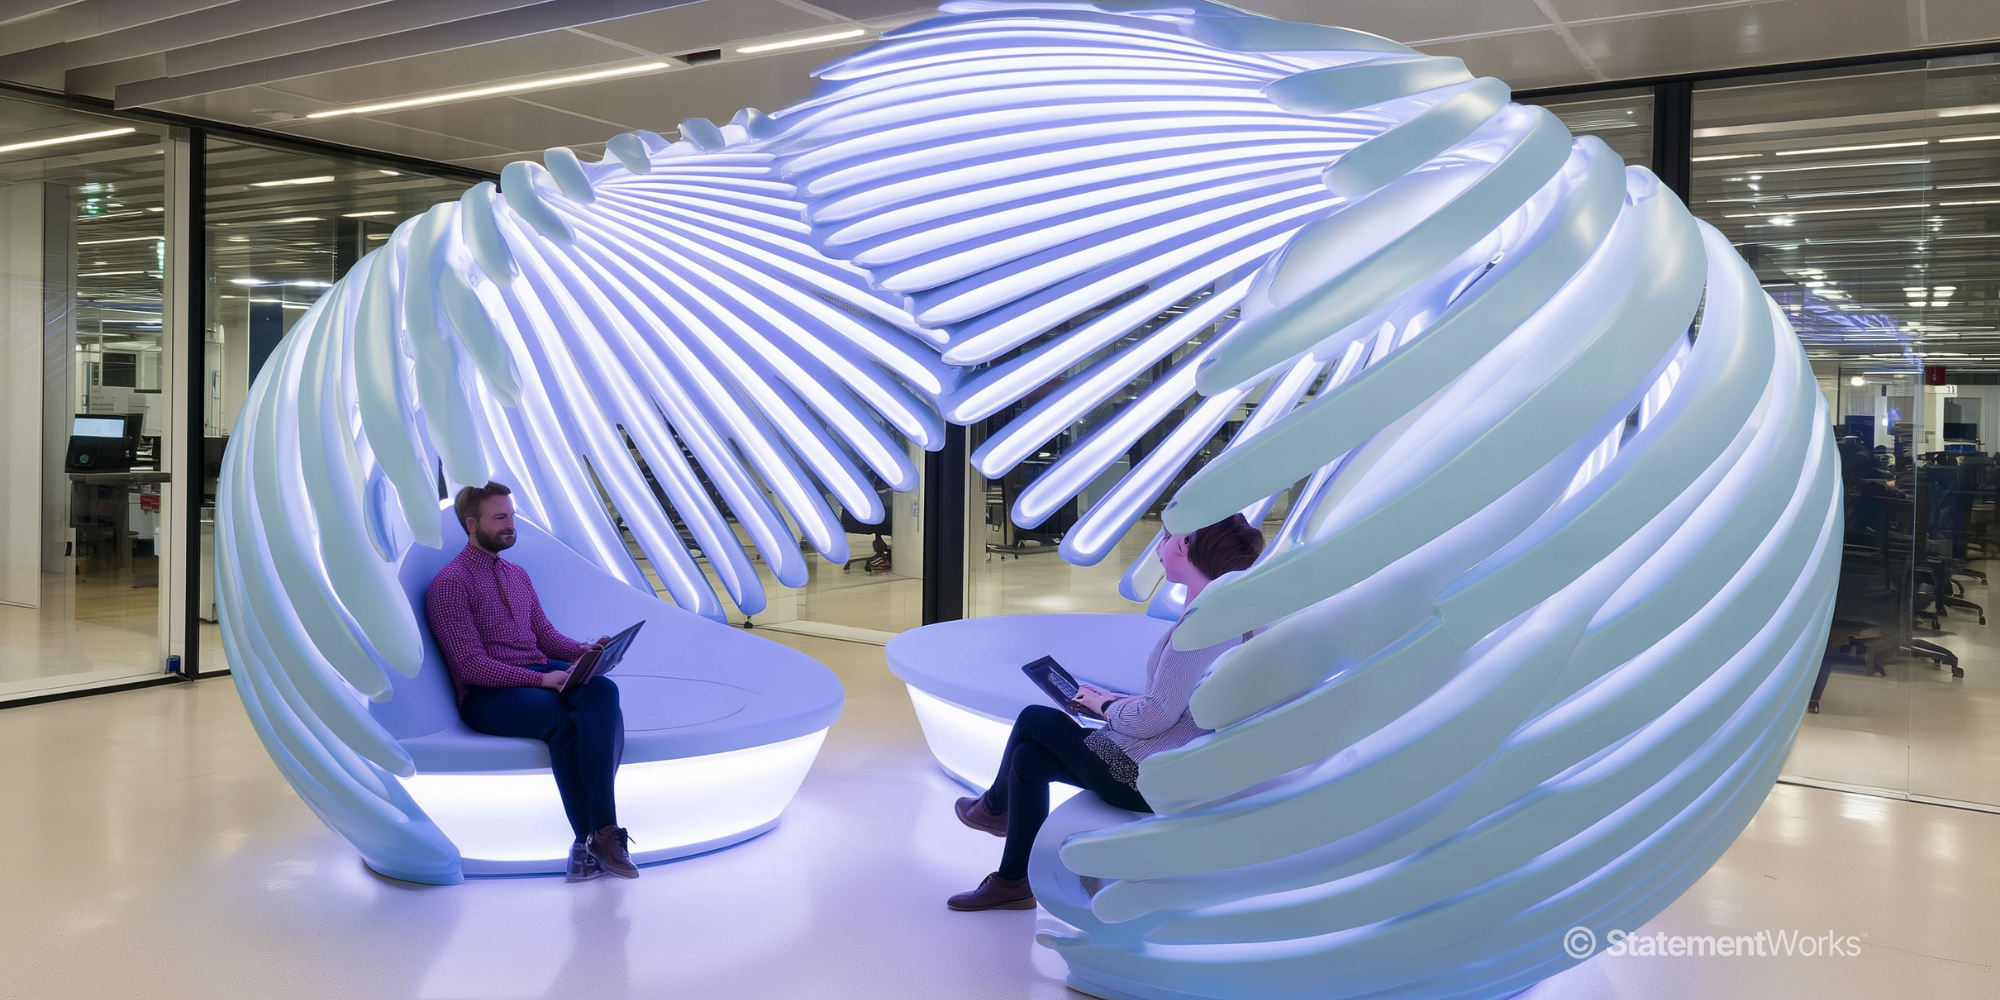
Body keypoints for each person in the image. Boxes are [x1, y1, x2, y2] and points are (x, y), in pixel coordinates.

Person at [946, 513, 1268, 910]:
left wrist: (1105, 704)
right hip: (1175, 763)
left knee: (1035, 718)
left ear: (1189, 545)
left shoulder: (1202, 630)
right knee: (1029, 760)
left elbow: (1154, 718)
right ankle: (1012, 879)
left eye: (1166, 539)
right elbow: (1175, 705)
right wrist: (1110, 702)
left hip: (1151, 775)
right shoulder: (1230, 611)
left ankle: (994, 810)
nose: (1158, 549)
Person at [424, 481, 637, 882]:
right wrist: (544, 681)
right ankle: (595, 836)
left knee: (604, 689)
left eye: (512, 515)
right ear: (472, 524)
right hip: (488, 696)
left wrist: (588, 650)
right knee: (563, 720)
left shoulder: (517, 575)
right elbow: (471, 666)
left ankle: (598, 837)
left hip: (536, 672)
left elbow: (546, 637)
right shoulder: (449, 585)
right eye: (499, 517)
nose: (510, 524)